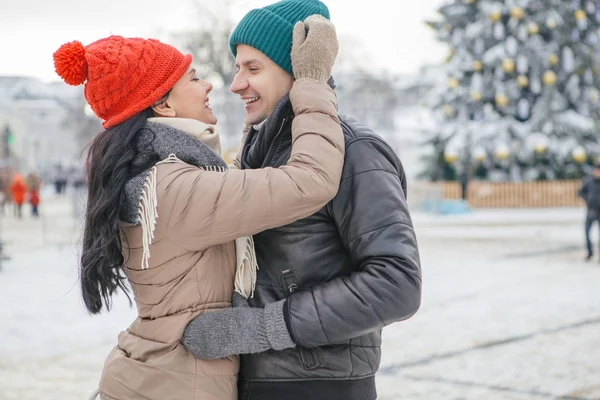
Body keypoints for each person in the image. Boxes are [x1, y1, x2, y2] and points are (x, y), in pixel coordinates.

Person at [53, 18, 343, 400]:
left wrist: (257, 132)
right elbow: (310, 181)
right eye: (192, 78)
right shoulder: (176, 189)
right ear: (163, 103)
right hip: (175, 384)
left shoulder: (158, 176)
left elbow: (229, 187)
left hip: (155, 376)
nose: (207, 84)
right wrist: (312, 85)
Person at [181, 1, 422, 400]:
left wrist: (264, 327)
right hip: (255, 381)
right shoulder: (259, 151)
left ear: (296, 69)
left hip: (319, 385)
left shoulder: (354, 150)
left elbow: (397, 282)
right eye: (238, 68)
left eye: (253, 68)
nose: (236, 84)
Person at [579, 166, 600, 261]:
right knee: (587, 232)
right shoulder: (589, 181)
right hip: (591, 210)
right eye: (596, 171)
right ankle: (590, 253)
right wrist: (588, 199)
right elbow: (581, 192)